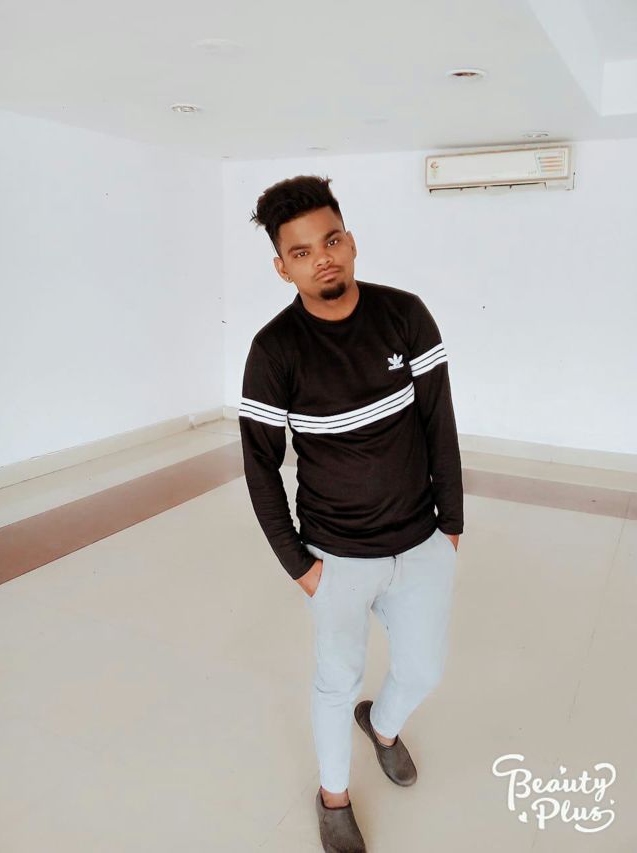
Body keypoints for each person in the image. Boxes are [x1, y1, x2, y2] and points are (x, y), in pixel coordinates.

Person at [239, 174, 463, 853]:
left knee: (423, 670)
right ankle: (333, 796)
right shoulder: (274, 350)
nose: (323, 258)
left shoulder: (406, 315)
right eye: (302, 251)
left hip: (420, 541)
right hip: (334, 555)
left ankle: (384, 727)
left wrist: (450, 525)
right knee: (336, 681)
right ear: (283, 267)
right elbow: (259, 465)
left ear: (352, 241)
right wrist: (300, 567)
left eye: (331, 240)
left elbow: (439, 423)